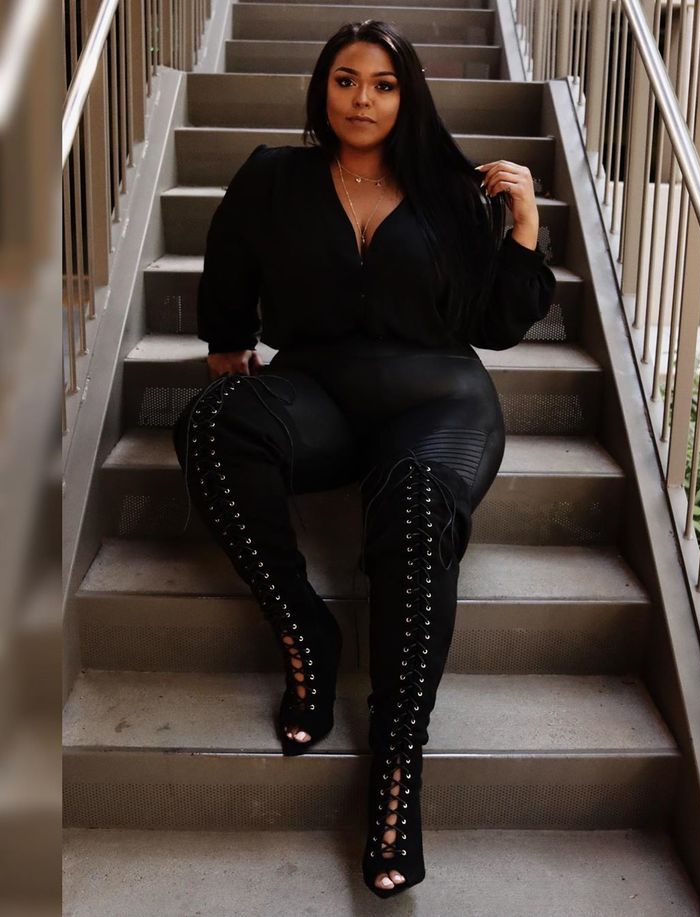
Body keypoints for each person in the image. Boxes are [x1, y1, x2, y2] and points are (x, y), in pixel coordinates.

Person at [172, 19, 556, 899]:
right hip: (320, 394)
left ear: (407, 95)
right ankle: (305, 625)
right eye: (347, 80)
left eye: (383, 85)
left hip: (439, 402)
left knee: (418, 501)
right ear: (324, 88)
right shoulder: (273, 178)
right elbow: (229, 270)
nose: (363, 100)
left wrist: (523, 226)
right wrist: (227, 343)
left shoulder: (451, 195)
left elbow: (496, 327)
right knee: (208, 425)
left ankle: (395, 765)